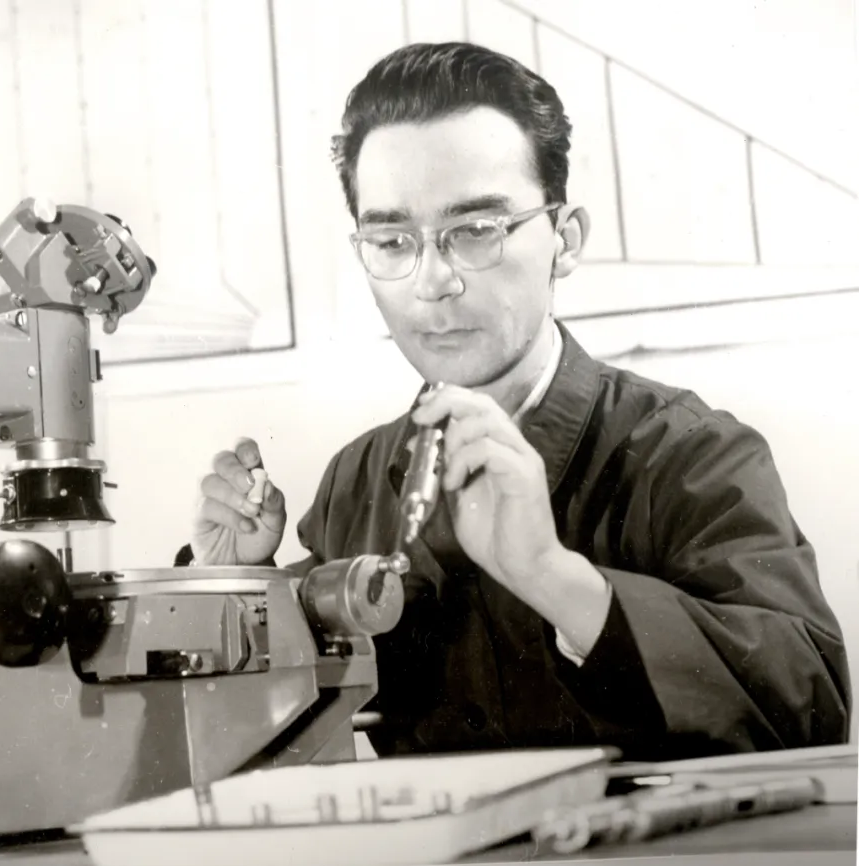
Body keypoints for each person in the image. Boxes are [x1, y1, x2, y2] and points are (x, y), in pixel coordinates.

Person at [178, 42, 851, 761]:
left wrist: (552, 576)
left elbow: (809, 708)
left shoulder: (692, 455)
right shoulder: (357, 482)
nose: (432, 282)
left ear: (565, 240)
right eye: (393, 240)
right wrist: (233, 582)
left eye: (476, 231)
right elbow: (258, 741)